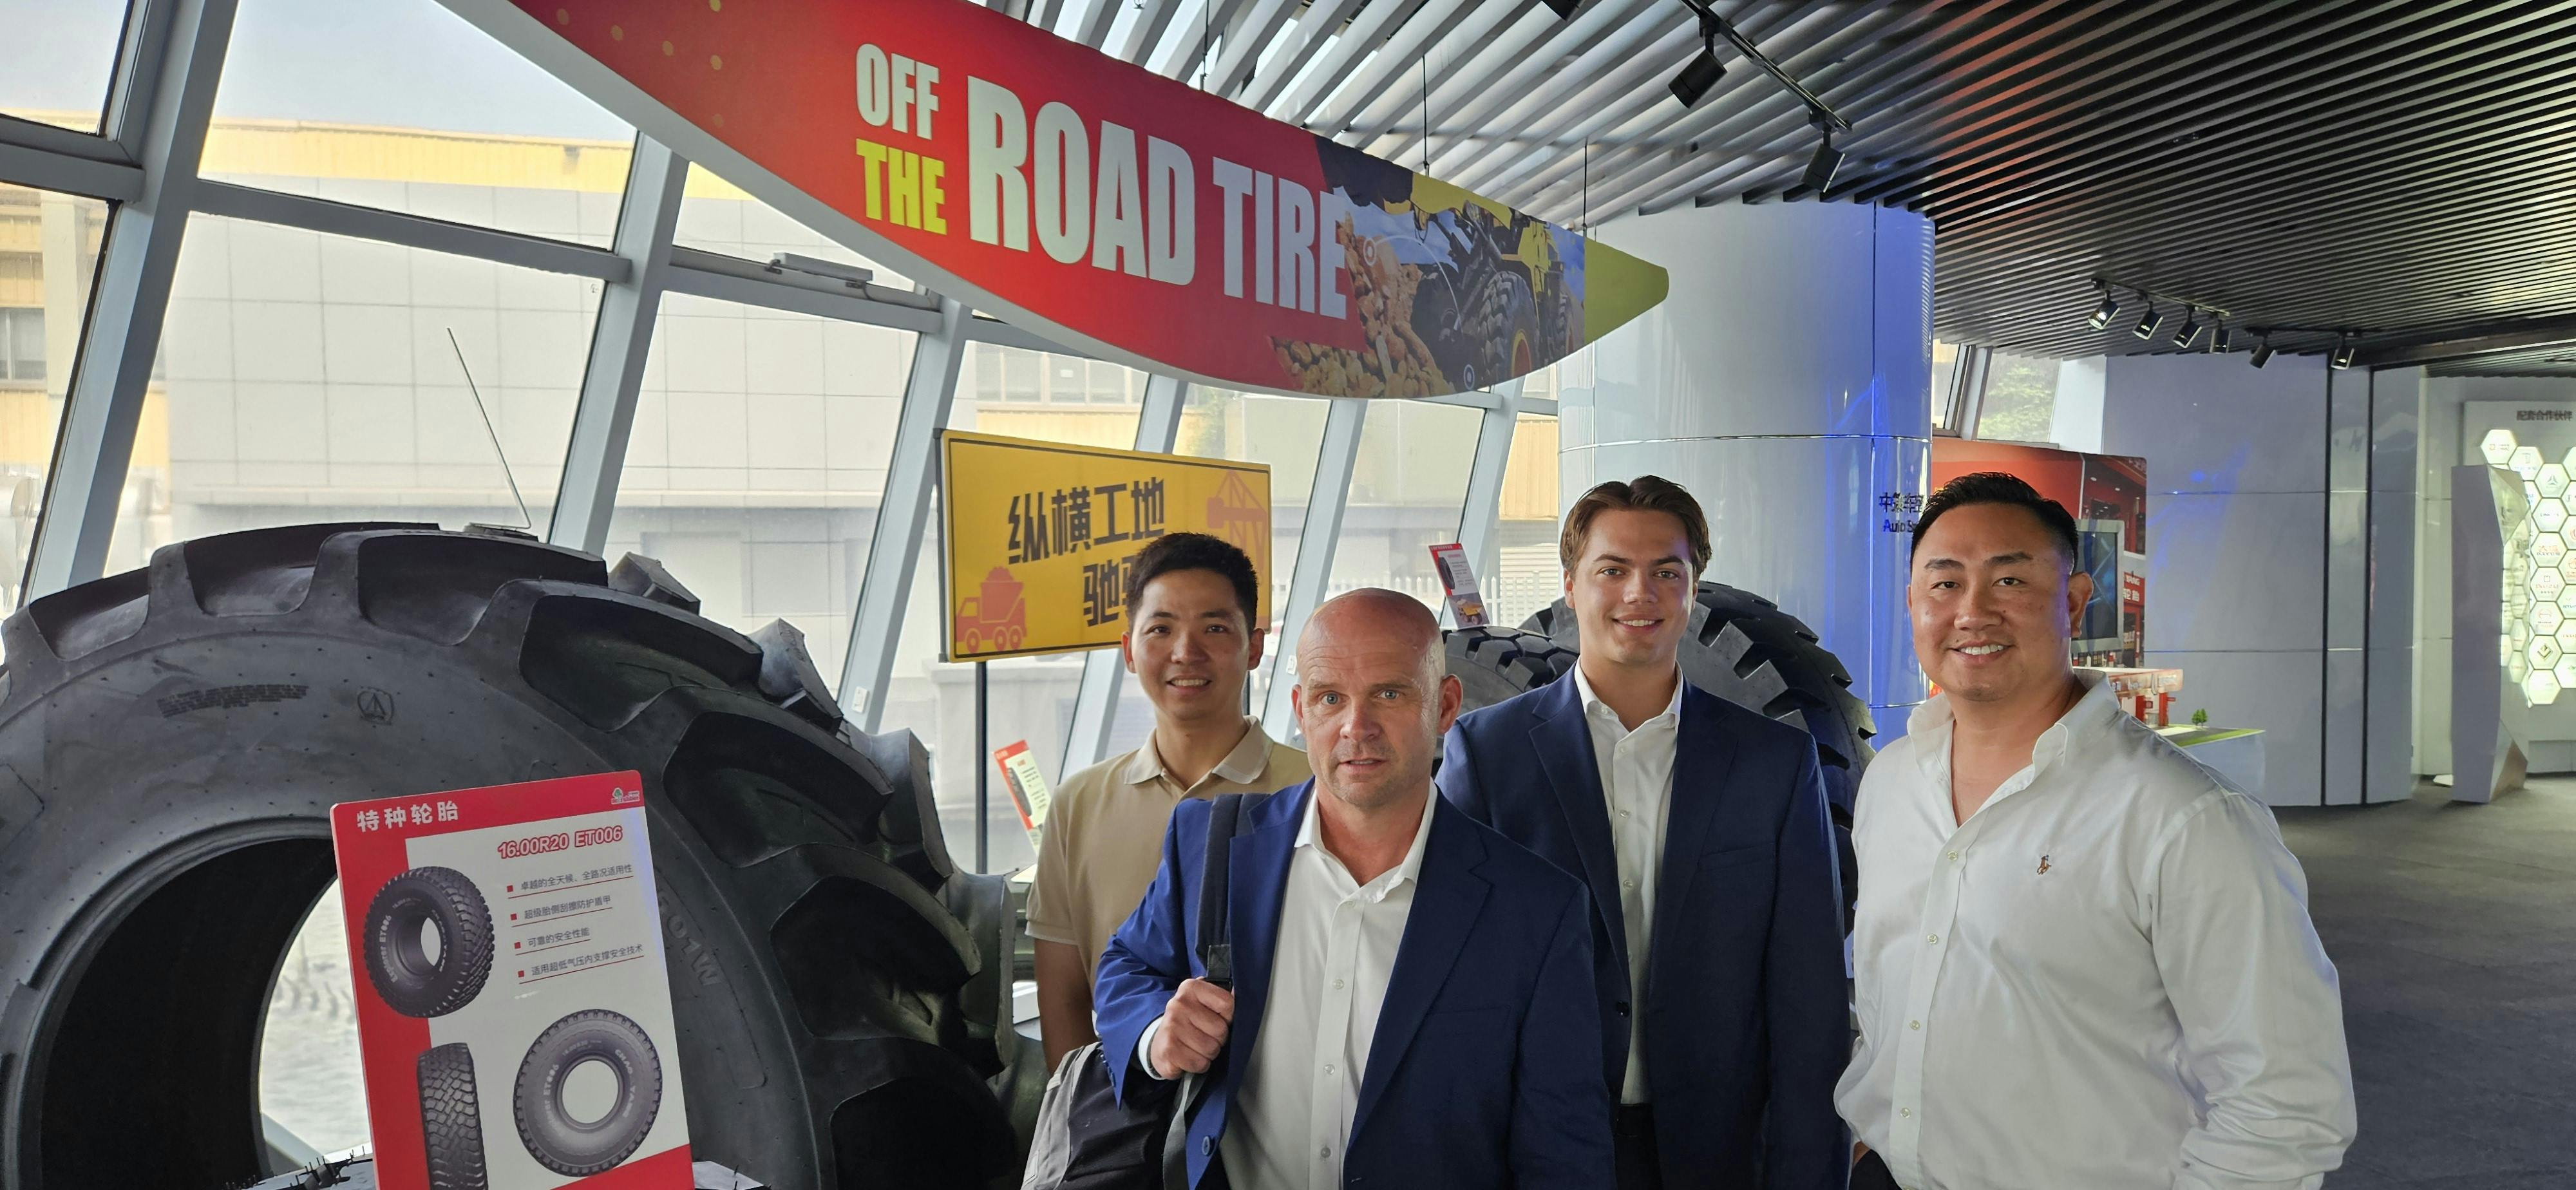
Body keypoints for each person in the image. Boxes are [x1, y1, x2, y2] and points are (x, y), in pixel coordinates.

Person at [1839, 471, 2356, 1190]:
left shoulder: (2183, 819)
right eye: (1943, 584)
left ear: (2075, 603)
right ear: (1912, 605)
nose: (1972, 611)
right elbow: (1888, 993)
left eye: (2011, 582)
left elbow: (2286, 1103)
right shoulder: (1891, 782)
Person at [1094, 589, 1612, 1190]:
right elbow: (1125, 966)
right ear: (1301, 709)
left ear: (1445, 707)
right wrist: (1159, 1035)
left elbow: (1563, 1156)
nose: (1355, 727)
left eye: (1389, 694)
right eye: (1330, 697)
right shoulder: (1213, 846)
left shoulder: (1536, 910)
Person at [1439, 475, 1850, 1190]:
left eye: (1667, 572)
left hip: (1717, 1149)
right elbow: (1450, 978)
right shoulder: (1486, 752)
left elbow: (1807, 998)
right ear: (1570, 586)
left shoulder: (1773, 764)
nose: (1640, 594)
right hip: (1537, 1142)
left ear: (1693, 590)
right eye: (1612, 571)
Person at [1028, 532, 1311, 1070]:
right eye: (1160, 629)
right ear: (1129, 651)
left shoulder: (1312, 789)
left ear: (1254, 647)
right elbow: (1064, 996)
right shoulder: (1078, 804)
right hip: (1124, 1114)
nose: (1186, 652)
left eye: (1214, 628)